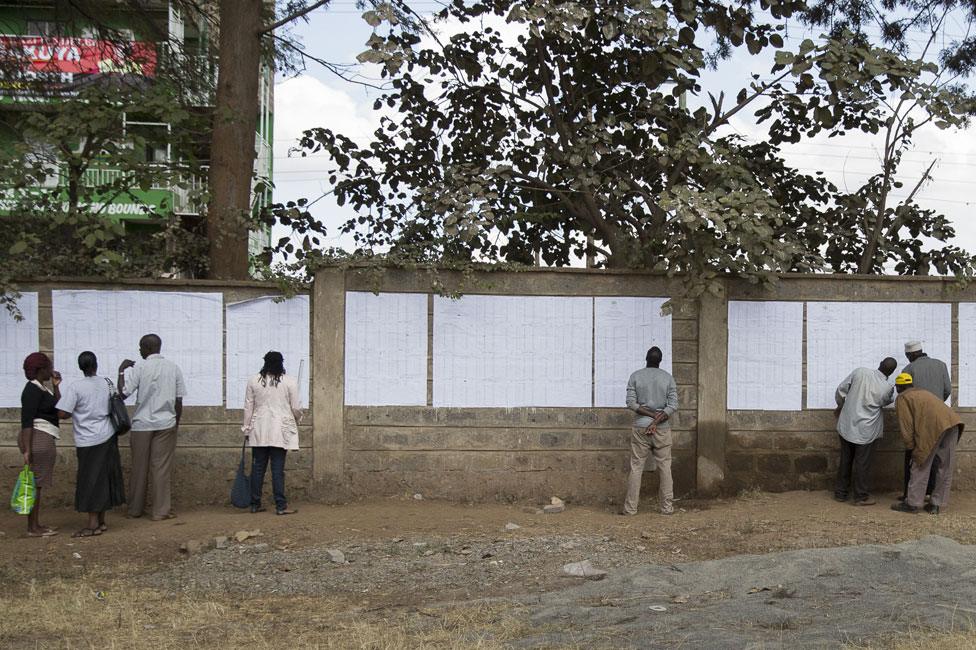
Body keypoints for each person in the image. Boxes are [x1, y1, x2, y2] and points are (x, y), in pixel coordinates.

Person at [56, 351, 125, 538]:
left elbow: (63, 413)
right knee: (104, 478)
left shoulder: (76, 387)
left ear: (80, 367)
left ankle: (92, 524)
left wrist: (56, 390)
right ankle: (101, 522)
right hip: (108, 435)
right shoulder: (107, 383)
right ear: (96, 365)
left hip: (88, 440)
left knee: (90, 480)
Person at [117, 333, 185, 521]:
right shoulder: (174, 368)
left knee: (139, 468)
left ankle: (134, 510)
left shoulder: (140, 367)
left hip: (141, 424)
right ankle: (160, 511)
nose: (139, 350)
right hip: (166, 423)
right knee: (161, 468)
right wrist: (175, 423)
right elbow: (179, 400)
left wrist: (121, 371)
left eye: (140, 347)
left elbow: (123, 394)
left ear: (147, 348)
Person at [891, 373, 963, 515]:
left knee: (920, 463)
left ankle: (913, 503)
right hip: (953, 423)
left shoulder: (903, 398)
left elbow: (906, 426)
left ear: (900, 387)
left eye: (897, 387)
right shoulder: (923, 392)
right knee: (945, 466)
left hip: (933, 428)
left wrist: (911, 447)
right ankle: (936, 504)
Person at [242, 351, 302, 515]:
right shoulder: (289, 381)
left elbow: (248, 407)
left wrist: (246, 428)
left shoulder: (254, 381)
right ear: (281, 363)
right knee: (277, 469)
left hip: (258, 429)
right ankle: (280, 506)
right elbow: (296, 407)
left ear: (265, 363)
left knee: (258, 468)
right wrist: (297, 418)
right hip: (280, 430)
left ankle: (255, 504)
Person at [833, 358, 898, 506]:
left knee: (846, 459)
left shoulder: (860, 371)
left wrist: (841, 405)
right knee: (863, 463)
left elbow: (841, 390)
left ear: (880, 363)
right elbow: (885, 401)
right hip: (866, 430)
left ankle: (841, 493)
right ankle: (861, 497)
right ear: (892, 372)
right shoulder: (887, 387)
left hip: (847, 424)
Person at [622, 346, 678, 516]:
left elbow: (631, 403)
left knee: (636, 467)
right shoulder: (668, 378)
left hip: (641, 428)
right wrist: (657, 419)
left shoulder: (635, 376)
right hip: (662, 429)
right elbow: (673, 406)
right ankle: (667, 508)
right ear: (660, 361)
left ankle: (630, 509)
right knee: (665, 467)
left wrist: (649, 416)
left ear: (646, 359)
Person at [899, 340, 952, 502]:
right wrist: (936, 404)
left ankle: (911, 495)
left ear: (911, 354)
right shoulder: (941, 365)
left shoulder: (909, 369)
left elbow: (907, 395)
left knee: (914, 457)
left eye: (907, 356)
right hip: (940, 419)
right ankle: (931, 493)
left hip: (919, 419)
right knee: (936, 458)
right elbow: (947, 390)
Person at [18, 352, 62, 537]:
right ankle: (32, 527)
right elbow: (27, 421)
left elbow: (59, 407)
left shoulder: (42, 389)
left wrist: (56, 386)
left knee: (36, 484)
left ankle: (35, 524)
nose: (51, 370)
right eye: (48, 368)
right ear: (40, 370)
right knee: (35, 484)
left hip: (42, 437)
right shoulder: (31, 390)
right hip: (37, 438)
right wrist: (27, 451)